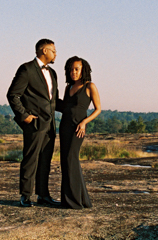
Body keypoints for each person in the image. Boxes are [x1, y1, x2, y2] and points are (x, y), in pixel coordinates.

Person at [7, 39, 61, 207]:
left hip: (50, 125)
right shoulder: (27, 69)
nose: (56, 53)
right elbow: (13, 95)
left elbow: (54, 101)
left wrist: (77, 109)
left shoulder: (53, 73)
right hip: (34, 124)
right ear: (44, 51)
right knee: (30, 159)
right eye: (53, 50)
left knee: (46, 160)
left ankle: (43, 195)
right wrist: (25, 116)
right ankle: (25, 195)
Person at [59, 56, 101, 209]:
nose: (73, 72)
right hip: (64, 126)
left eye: (76, 69)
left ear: (83, 70)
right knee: (65, 160)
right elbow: (64, 107)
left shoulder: (90, 86)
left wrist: (84, 122)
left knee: (72, 158)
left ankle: (75, 201)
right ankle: (72, 199)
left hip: (78, 127)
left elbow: (98, 109)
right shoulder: (68, 87)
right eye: (70, 69)